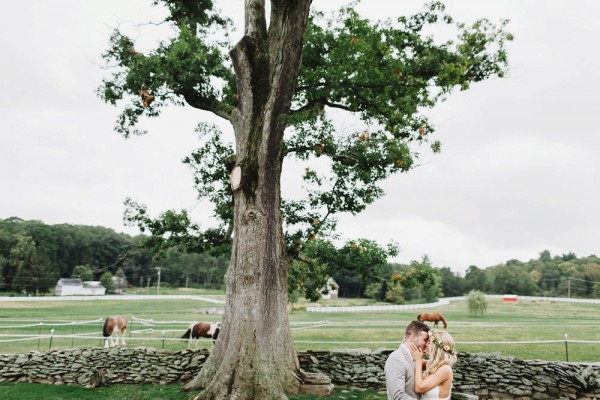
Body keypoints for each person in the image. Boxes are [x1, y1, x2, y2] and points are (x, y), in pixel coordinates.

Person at [385, 320, 430, 400]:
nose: (427, 344)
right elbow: (398, 396)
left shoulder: (416, 357)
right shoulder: (396, 360)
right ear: (413, 337)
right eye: (425, 340)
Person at [409, 330, 457, 400]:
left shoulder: (445, 369)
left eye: (428, 342)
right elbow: (414, 361)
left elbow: (419, 388)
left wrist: (418, 360)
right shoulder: (435, 365)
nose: (426, 345)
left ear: (435, 347)